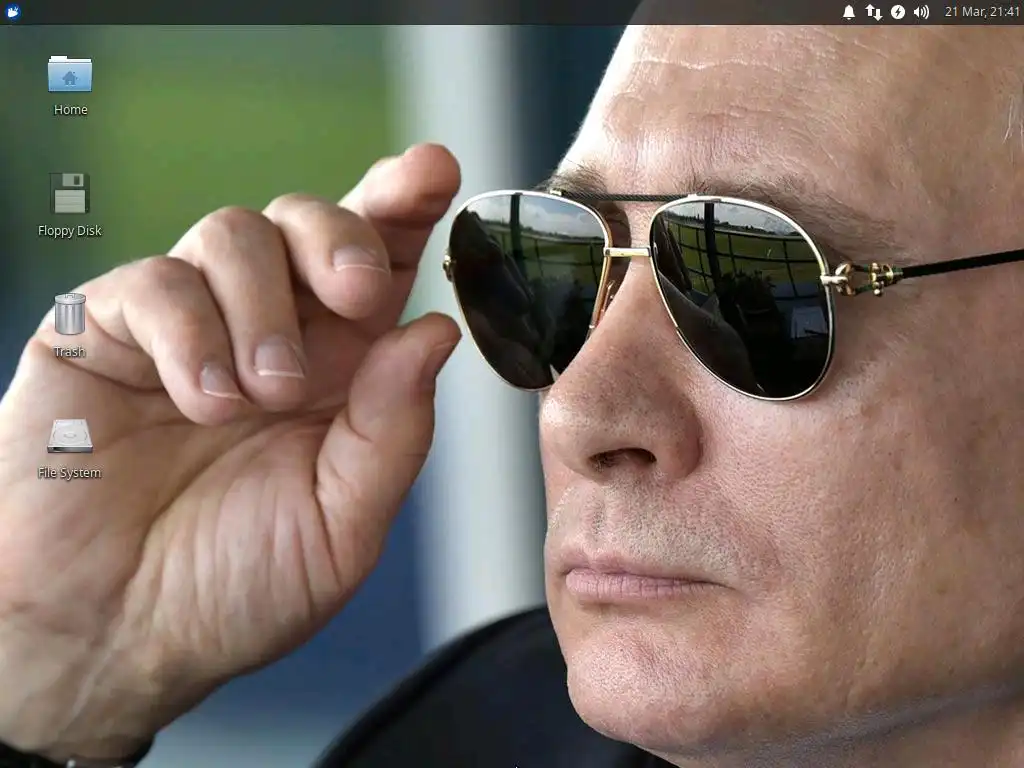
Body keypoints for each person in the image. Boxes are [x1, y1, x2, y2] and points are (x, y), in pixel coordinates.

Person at [1, 23, 1023, 768]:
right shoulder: (468, 740)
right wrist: (60, 672)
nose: (579, 411)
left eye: (756, 287)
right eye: (557, 263)